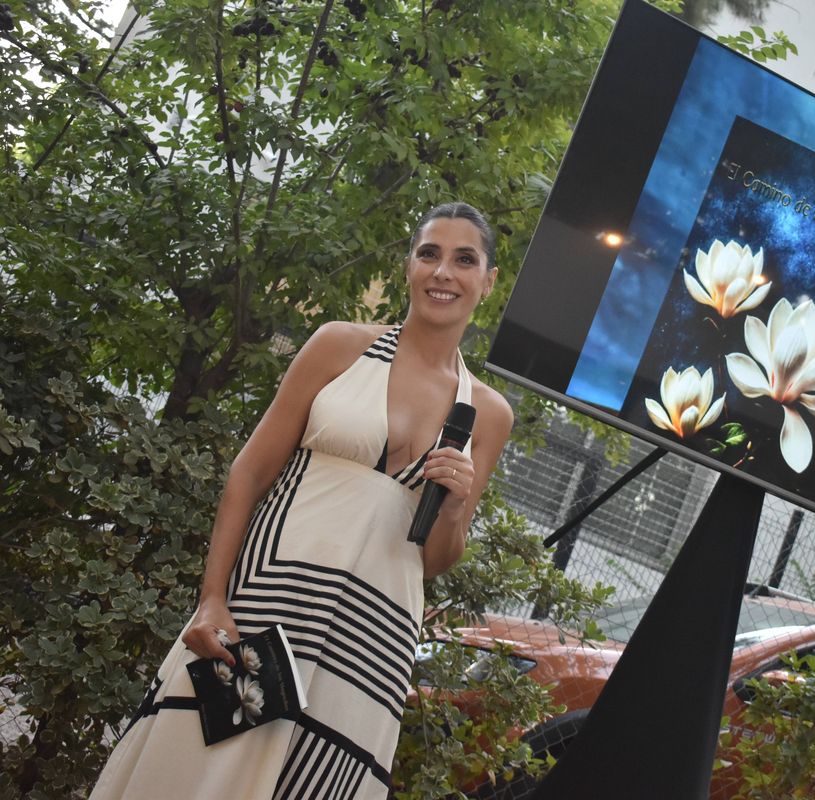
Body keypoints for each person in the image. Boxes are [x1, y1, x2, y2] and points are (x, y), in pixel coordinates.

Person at [90, 202, 514, 799]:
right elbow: (249, 472)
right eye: (429, 254)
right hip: (270, 599)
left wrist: (452, 504)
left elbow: (437, 558)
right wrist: (212, 598)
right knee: (197, 771)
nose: (443, 272)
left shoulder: (489, 414)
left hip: (372, 637)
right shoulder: (339, 346)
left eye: (464, 260)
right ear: (408, 266)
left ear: (488, 281)